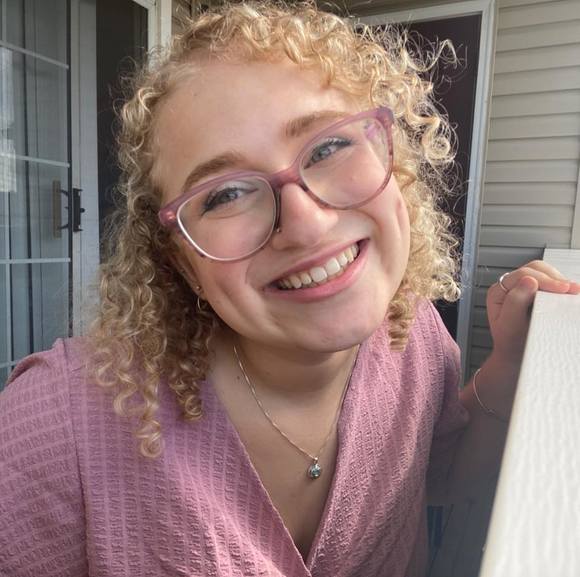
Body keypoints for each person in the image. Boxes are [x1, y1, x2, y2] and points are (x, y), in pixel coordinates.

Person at [1, 3, 578, 576]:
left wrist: (510, 363)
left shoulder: (411, 332)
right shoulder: (54, 429)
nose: (305, 223)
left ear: (393, 160)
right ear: (181, 259)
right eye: (225, 195)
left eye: (328, 148)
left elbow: (442, 475)